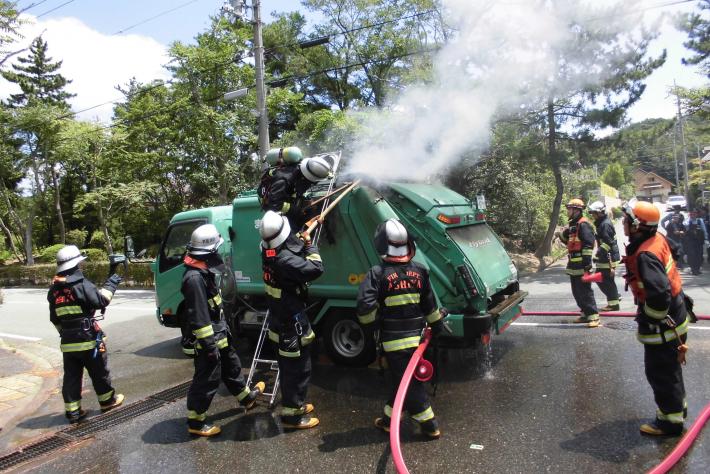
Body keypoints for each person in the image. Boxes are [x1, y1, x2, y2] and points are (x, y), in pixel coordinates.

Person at [356, 218, 445, 439]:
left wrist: (373, 326)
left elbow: (364, 310)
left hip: (393, 341)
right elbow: (430, 306)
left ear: (382, 245)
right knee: (401, 379)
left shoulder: (377, 273)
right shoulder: (421, 271)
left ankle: (429, 424)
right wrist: (438, 326)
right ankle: (389, 420)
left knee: (410, 384)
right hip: (417, 340)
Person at [183, 224, 265, 437]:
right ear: (208, 251)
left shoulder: (203, 271)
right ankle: (196, 420)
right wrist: (209, 347)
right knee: (207, 378)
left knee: (232, 366)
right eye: (216, 249)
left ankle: (246, 398)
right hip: (209, 340)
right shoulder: (194, 279)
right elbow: (200, 318)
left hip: (220, 334)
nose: (218, 253)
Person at [621, 201, 690, 436]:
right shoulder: (657, 238)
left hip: (663, 322)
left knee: (659, 371)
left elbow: (659, 295)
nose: (623, 223)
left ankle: (670, 422)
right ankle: (678, 408)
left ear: (637, 225)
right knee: (670, 368)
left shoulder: (645, 255)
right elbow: (676, 251)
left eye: (627, 220)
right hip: (677, 311)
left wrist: (651, 318)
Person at [259, 210, 324, 429]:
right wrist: (310, 246)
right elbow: (316, 268)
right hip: (291, 323)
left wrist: (304, 234)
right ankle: (293, 416)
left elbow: (289, 247)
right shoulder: (285, 260)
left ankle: (296, 404)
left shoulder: (266, 250)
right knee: (297, 369)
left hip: (280, 320)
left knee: (288, 367)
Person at [48, 245, 125, 424]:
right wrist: (113, 280)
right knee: (99, 371)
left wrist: (66, 334)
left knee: (72, 377)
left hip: (68, 342)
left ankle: (73, 412)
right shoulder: (81, 284)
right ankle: (107, 401)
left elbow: (54, 318)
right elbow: (101, 300)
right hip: (88, 340)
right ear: (76, 265)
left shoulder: (54, 290)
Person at [258, 147, 333, 229]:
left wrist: (306, 198)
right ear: (308, 175)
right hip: (275, 210)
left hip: (285, 199)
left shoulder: (300, 169)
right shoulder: (284, 180)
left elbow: (297, 187)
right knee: (293, 230)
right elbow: (274, 203)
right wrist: (295, 209)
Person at [556, 198, 599, 327]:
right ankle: (585, 314)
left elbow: (588, 244)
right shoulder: (573, 225)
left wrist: (587, 265)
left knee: (584, 292)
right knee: (577, 292)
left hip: (581, 265)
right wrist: (563, 234)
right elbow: (567, 239)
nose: (567, 211)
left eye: (569, 209)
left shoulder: (583, 224)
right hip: (573, 264)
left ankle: (594, 317)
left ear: (576, 210)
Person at [588, 201, 621, 311]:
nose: (592, 215)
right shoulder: (602, 223)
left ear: (599, 213)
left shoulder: (605, 225)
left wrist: (598, 254)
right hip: (607, 255)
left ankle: (614, 303)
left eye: (594, 213)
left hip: (608, 257)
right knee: (604, 279)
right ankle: (615, 296)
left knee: (604, 279)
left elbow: (607, 243)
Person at [684, 210, 708, 275]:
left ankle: (697, 269)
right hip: (691, 242)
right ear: (690, 215)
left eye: (694, 214)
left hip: (699, 242)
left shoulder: (700, 221)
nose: (693, 215)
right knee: (692, 256)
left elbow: (704, 230)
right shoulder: (687, 221)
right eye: (691, 214)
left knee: (699, 255)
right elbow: (685, 225)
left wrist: (706, 239)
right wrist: (689, 220)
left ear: (696, 214)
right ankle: (693, 270)